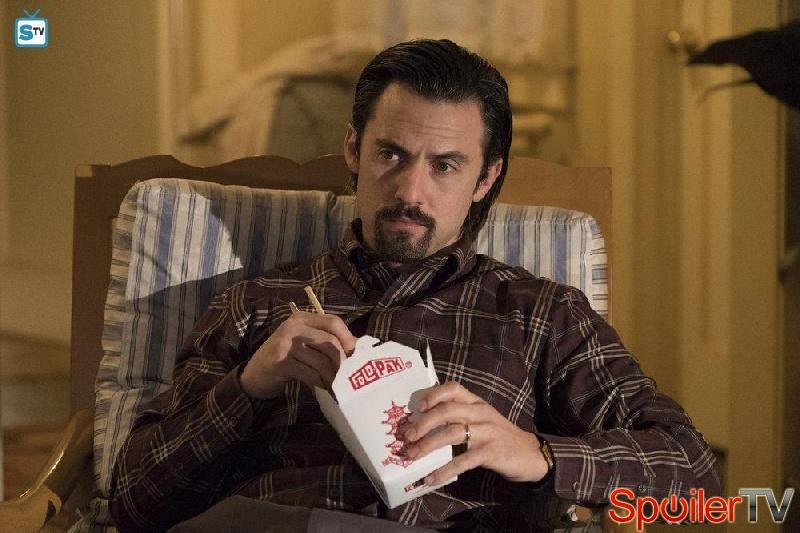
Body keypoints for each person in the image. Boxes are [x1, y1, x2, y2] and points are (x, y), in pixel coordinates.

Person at [109, 39, 720, 532]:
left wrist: (538, 454)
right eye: (391, 155)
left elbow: (692, 471)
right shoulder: (257, 303)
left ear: (486, 178)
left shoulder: (541, 314)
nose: (410, 192)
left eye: (444, 165)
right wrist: (248, 387)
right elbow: (133, 503)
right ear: (354, 150)